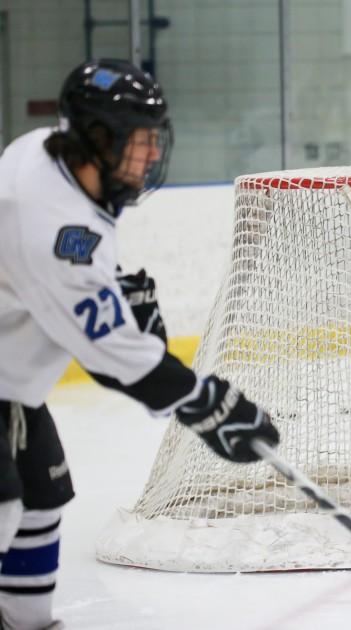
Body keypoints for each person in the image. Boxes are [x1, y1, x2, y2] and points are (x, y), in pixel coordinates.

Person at [0, 59, 279, 629]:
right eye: (142, 140)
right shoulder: (54, 230)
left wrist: (109, 287)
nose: (153, 154)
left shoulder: (45, 153)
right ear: (98, 138)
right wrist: (209, 405)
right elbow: (112, 359)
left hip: (12, 387)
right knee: (5, 502)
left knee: (40, 495)